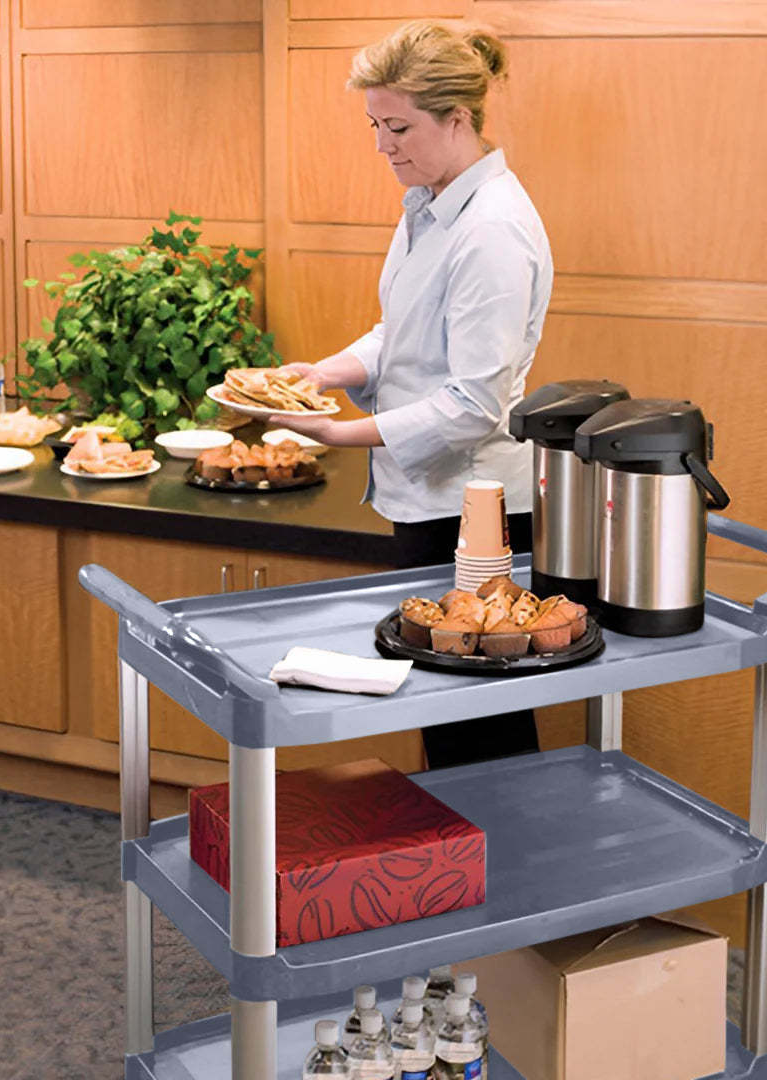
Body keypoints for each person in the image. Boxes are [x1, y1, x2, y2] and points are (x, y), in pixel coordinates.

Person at [268, 21, 554, 767]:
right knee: (444, 703)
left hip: (473, 508)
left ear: (457, 119)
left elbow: (473, 403)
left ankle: (494, 842)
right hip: (427, 496)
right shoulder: (431, 203)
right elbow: (404, 332)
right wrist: (328, 373)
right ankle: (458, 841)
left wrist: (338, 435)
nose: (382, 146)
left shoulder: (492, 230)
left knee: (477, 716)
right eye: (374, 125)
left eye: (398, 128)